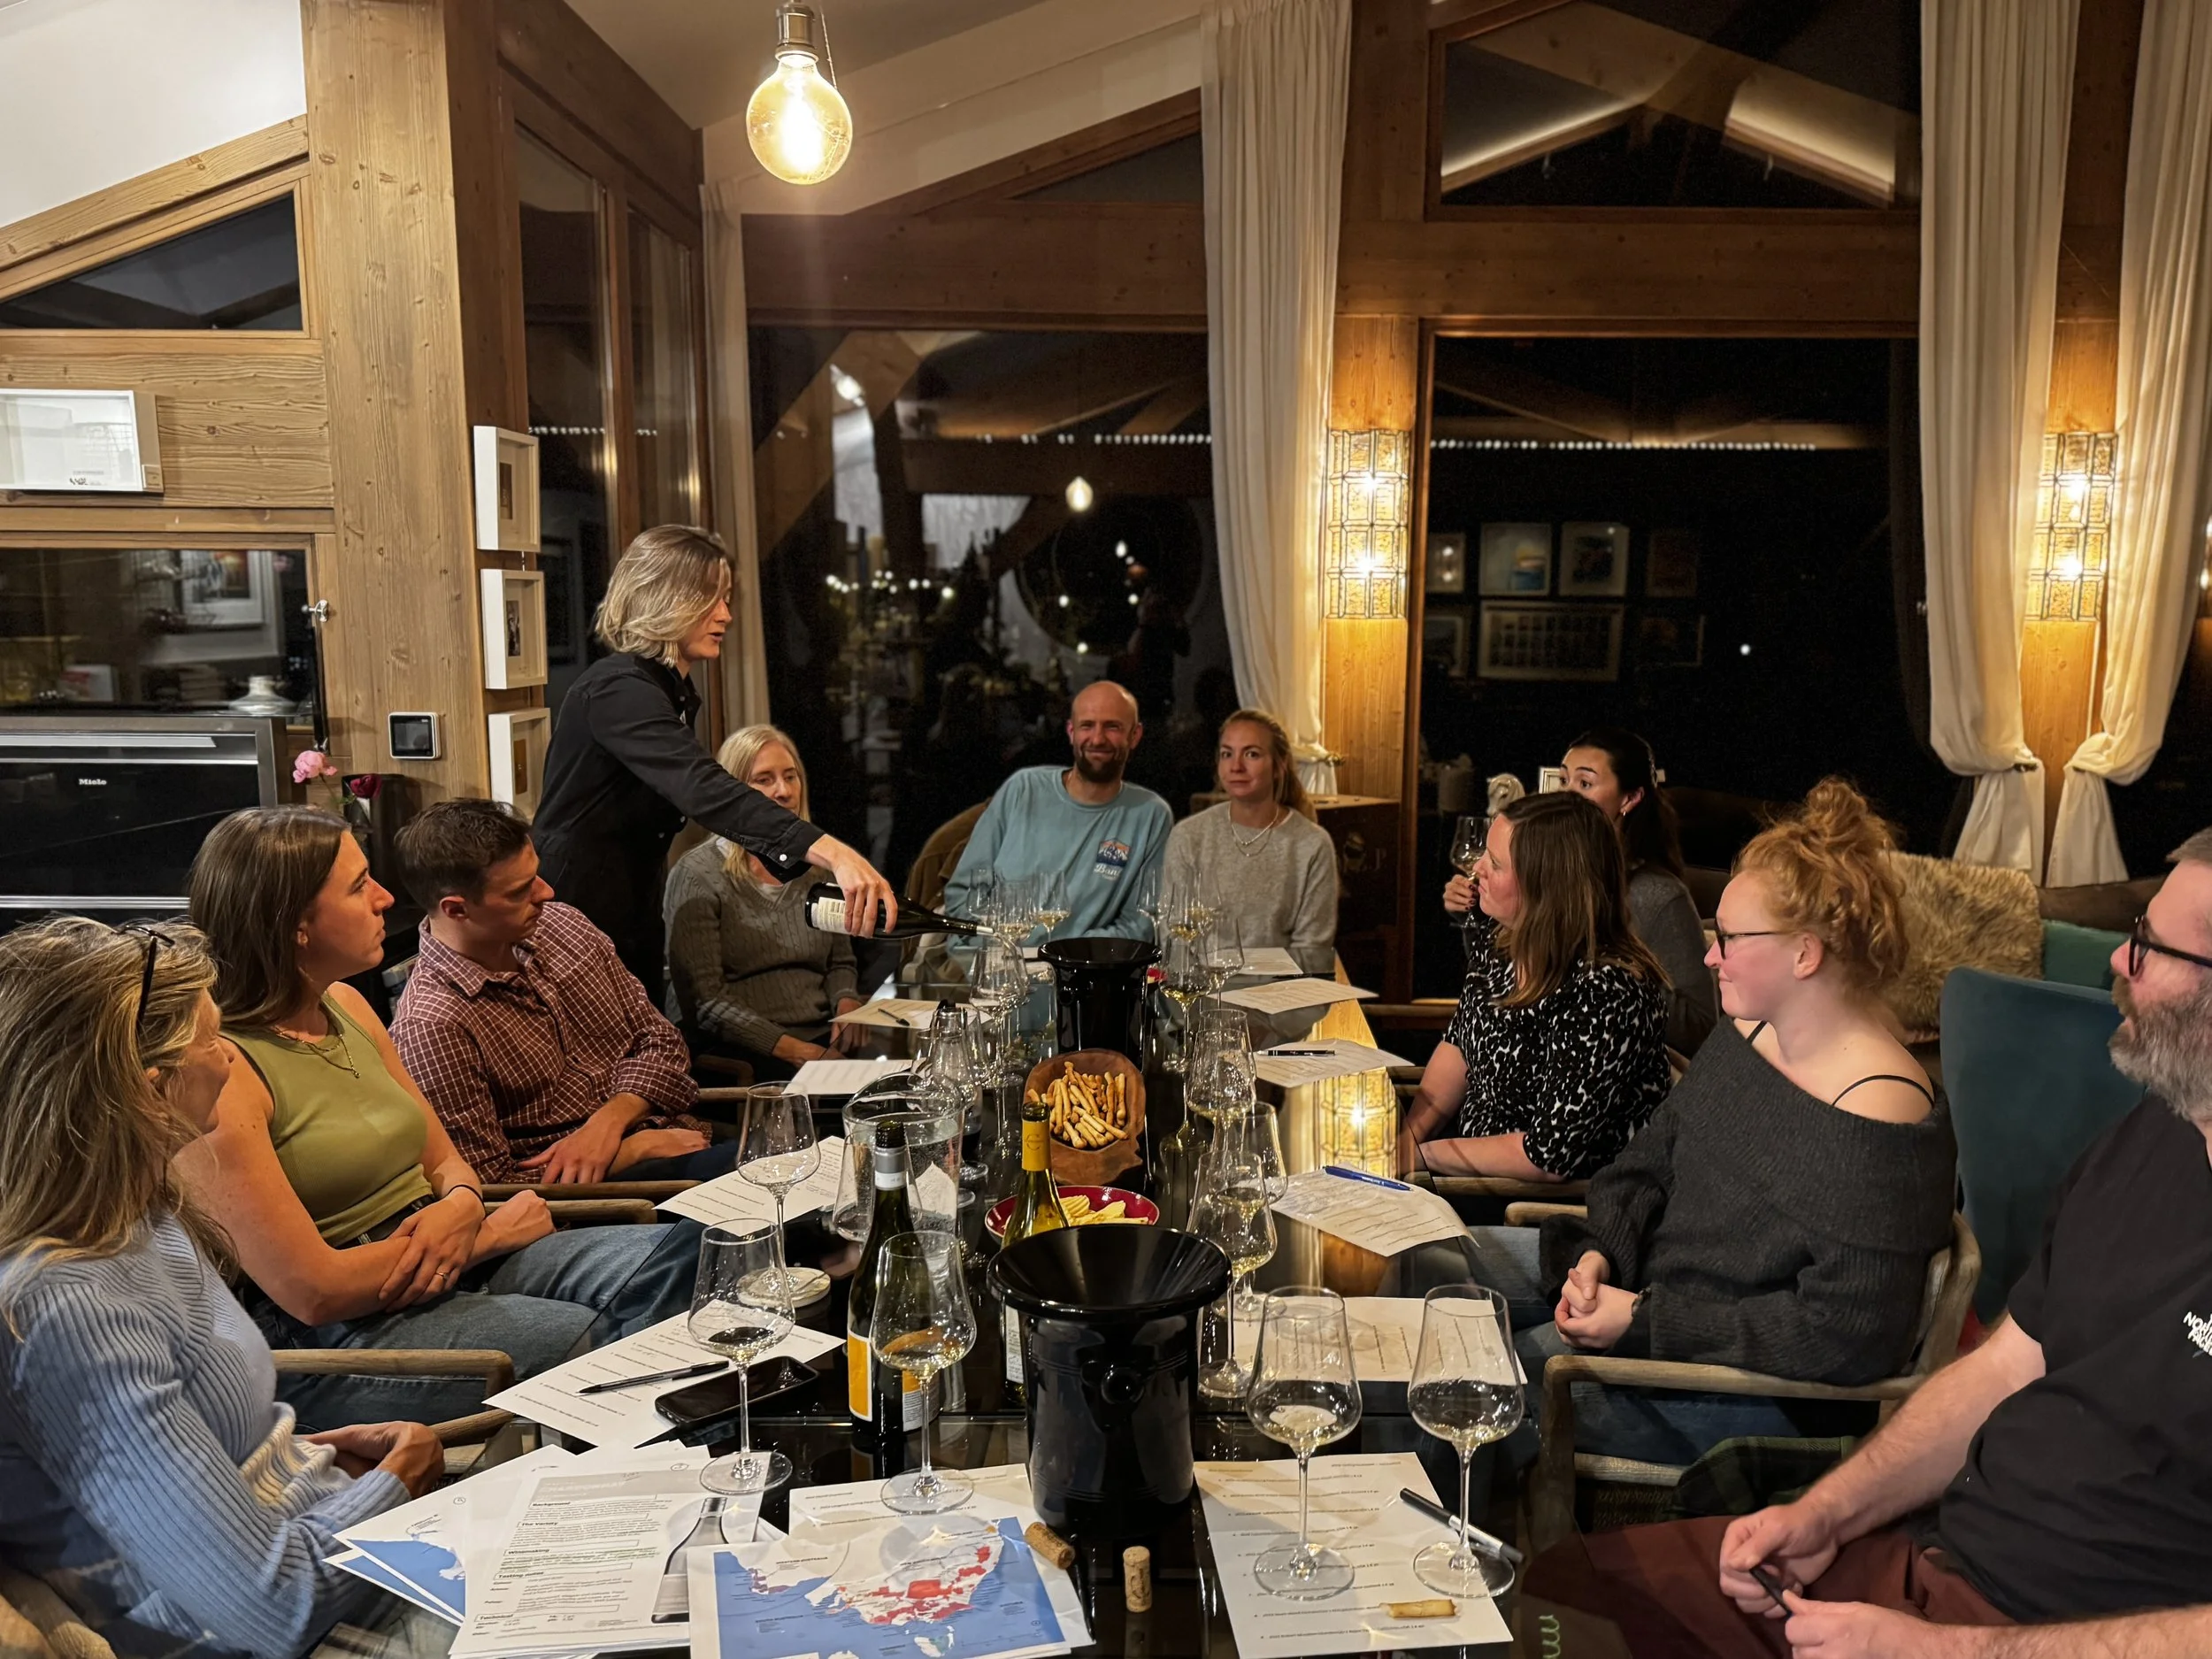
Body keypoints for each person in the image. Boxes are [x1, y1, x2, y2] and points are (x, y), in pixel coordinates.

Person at [1524, 827, 2212, 1657]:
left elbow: (1846, 1331)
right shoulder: (2153, 1135)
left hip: (2033, 1636)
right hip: (1935, 1561)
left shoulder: (1877, 1115)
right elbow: (2003, 1366)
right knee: (1557, 1600)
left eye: (2152, 945)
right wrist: (1827, 1511)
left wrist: (1942, 1651)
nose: (2117, 961)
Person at [1463, 780, 1955, 1463]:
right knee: (1439, 1268)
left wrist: (1643, 1318)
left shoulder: (1879, 1114)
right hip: (1651, 1297)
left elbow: (1846, 1334)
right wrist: (1602, 1250)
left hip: (1744, 1390)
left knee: (1465, 1389)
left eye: (1728, 937)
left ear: (1805, 952)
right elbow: (1648, 1163)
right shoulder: (1750, 1033)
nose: (1708, 956)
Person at [0, 916, 440, 1659]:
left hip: (330, 1530)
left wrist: (288, 1455)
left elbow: (188, 1459)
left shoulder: (138, 1209)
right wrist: (400, 1477)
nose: (232, 1057)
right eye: (211, 1040)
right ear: (149, 1091)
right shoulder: (65, 1303)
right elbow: (274, 1608)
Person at [180, 806, 698, 1429]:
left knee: (694, 1253)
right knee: (605, 1346)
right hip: (340, 1337)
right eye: (358, 885)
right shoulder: (219, 1068)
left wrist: (461, 1207)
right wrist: (484, 1236)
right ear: (296, 926)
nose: (385, 897)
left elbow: (449, 1162)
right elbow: (315, 1292)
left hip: (447, 1254)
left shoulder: (346, 1003)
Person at [530, 525, 895, 1002]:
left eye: (725, 598)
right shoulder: (618, 689)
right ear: (663, 598)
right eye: (709, 600)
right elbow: (705, 789)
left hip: (629, 914)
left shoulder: (668, 691)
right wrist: (835, 854)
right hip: (573, 918)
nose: (725, 614)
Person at [389, 797, 738, 1184]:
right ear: (456, 910)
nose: (547, 893)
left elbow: (664, 1042)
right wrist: (629, 1152)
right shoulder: (431, 1025)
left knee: (785, 1153)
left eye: (536, 874)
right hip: (604, 1197)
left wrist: (610, 1121)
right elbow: (487, 1186)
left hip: (679, 1133)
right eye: (520, 890)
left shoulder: (563, 926)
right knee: (776, 1181)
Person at [1398, 790, 1671, 1180]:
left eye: (1495, 863)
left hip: (1529, 1200)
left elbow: (1549, 1157)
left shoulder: (1607, 993)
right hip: (1462, 1168)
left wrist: (1424, 1157)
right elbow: (1459, 1046)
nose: (1477, 868)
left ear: (1548, 887)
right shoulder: (1502, 941)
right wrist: (1405, 1142)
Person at [664, 725, 866, 1076]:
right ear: (733, 793)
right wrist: (796, 1051)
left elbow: (840, 962)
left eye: (790, 777)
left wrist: (847, 1002)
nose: (783, 791)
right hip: (742, 1051)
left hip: (819, 1036)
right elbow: (706, 1002)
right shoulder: (697, 874)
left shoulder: (820, 869)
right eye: (764, 780)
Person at [941, 679, 1171, 940]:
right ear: (1071, 732)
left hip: (1081, 964)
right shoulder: (1023, 788)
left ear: (1135, 735)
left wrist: (1064, 956)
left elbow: (1140, 926)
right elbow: (964, 896)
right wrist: (996, 952)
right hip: (993, 955)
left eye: (1112, 727)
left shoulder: (1150, 815)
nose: (1098, 739)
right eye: (1087, 726)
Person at [1560, 726, 1717, 1053]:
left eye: (1585, 784)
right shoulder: (1553, 877)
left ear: (1630, 798)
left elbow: (1701, 1027)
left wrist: (1609, 968)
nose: (1567, 796)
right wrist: (1475, 914)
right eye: (1564, 781)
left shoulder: (1657, 896)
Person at [1163, 709, 1338, 974]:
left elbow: (1312, 952)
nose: (1236, 766)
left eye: (1252, 754)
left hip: (1283, 992)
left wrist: (1245, 977)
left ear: (1279, 766)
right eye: (1227, 754)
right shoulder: (1188, 836)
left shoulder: (1312, 844)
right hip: (1202, 991)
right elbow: (1173, 938)